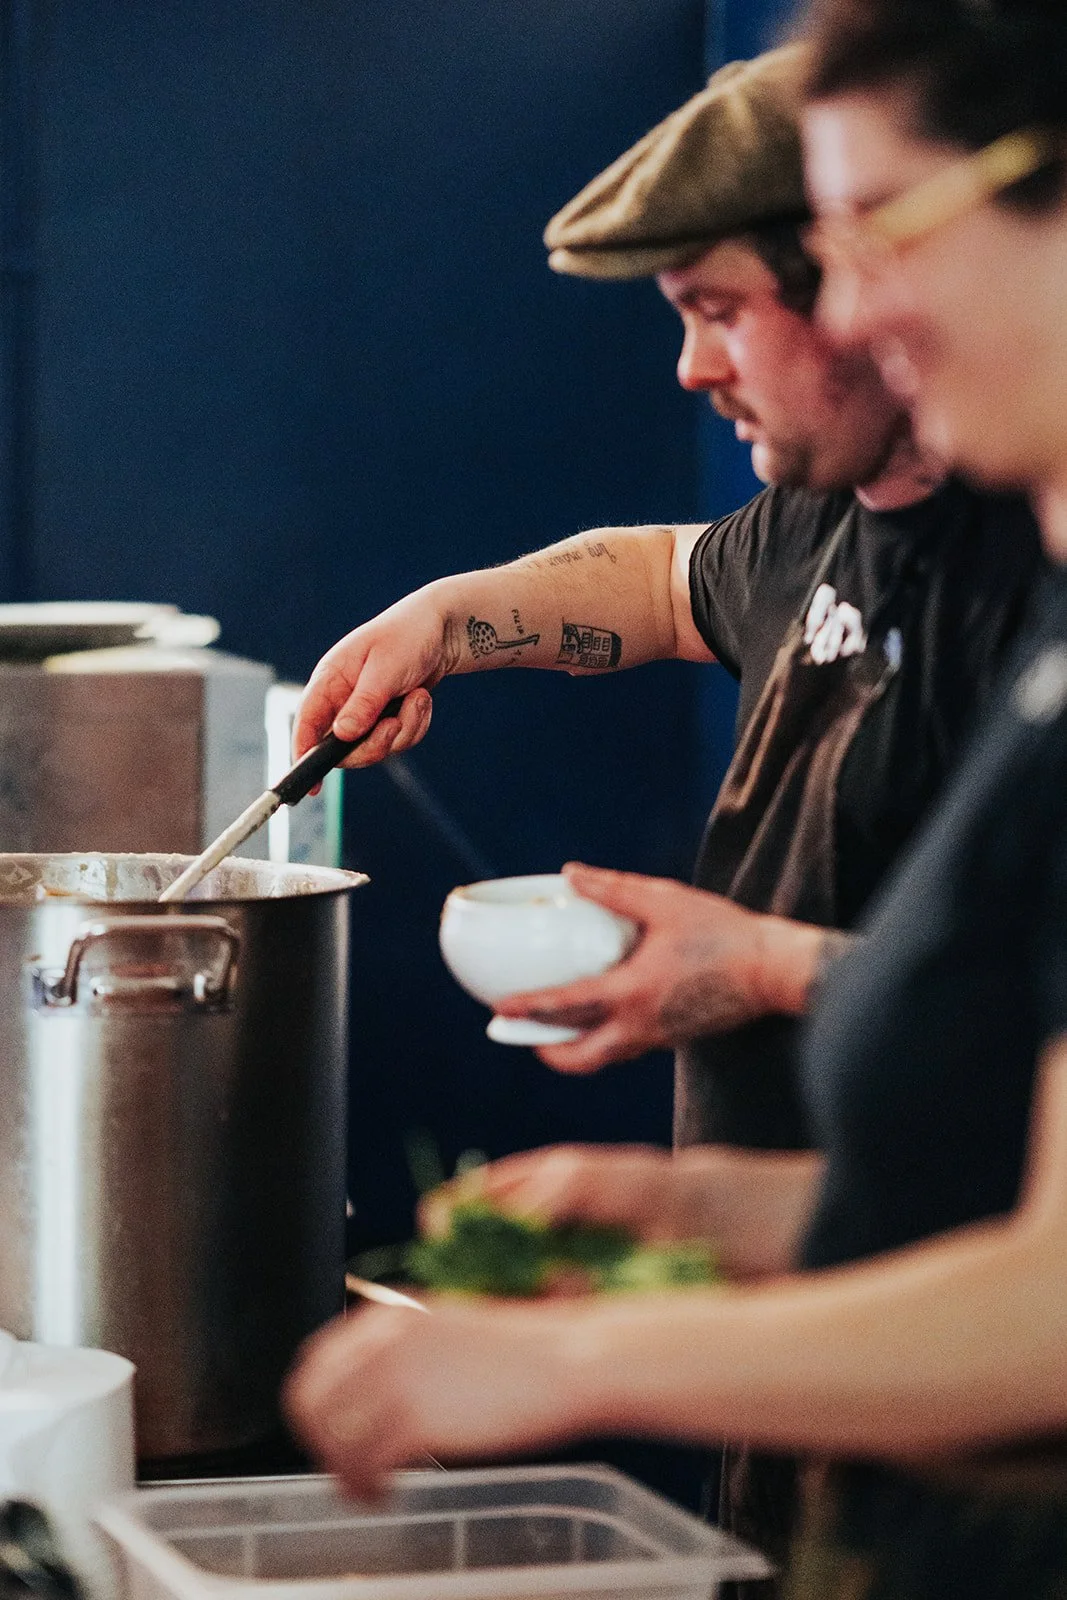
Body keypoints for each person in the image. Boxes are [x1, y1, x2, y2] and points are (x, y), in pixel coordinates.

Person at [284, 4, 1067, 1598]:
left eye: (871, 238)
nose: (853, 309)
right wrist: (678, 1205)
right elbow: (660, 577)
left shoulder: (1011, 589)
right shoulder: (848, 537)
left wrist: (584, 1366)